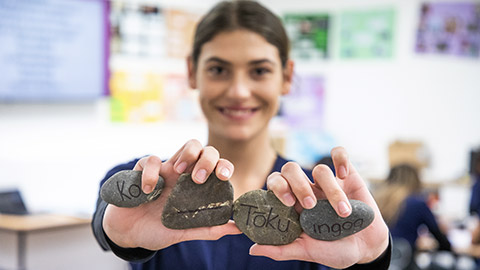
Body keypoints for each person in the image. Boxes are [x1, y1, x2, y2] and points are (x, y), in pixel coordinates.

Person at [92, 1, 391, 269]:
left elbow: (353, 252)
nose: (238, 91)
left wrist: (373, 257)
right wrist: (117, 232)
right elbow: (107, 225)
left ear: (286, 77)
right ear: (192, 71)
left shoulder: (315, 200)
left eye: (259, 71)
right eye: (218, 69)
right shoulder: (146, 188)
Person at [374, 164, 451, 268]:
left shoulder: (377, 201)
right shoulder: (417, 203)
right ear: (415, 180)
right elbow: (440, 239)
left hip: (379, 260)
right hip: (404, 261)